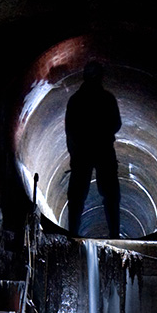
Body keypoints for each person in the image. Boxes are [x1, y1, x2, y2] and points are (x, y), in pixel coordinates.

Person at [65, 62, 121, 237]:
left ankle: (73, 233)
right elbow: (116, 124)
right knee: (110, 195)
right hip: (103, 150)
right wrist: (102, 133)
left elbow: (70, 129)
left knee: (77, 196)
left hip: (82, 153)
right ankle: (114, 233)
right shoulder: (107, 98)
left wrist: (74, 152)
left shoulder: (75, 100)